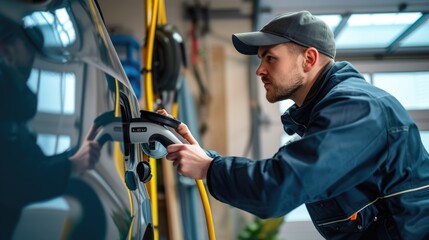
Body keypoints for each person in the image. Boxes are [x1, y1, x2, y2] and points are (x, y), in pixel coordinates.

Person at [163, 11, 429, 239]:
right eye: (259, 59)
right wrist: (205, 159)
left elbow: (279, 187)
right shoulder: (330, 111)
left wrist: (210, 168)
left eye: (270, 58)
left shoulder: (358, 107)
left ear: (309, 59)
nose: (259, 70)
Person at [0, 16, 101, 239]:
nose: (33, 54)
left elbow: (31, 161)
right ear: (6, 51)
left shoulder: (15, 117)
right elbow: (11, 182)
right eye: (26, 45)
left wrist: (73, 155)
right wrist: (71, 165)